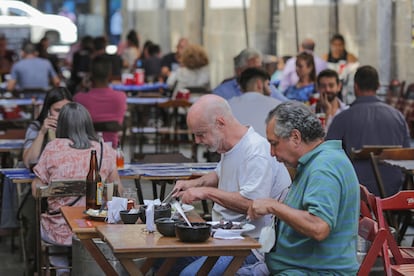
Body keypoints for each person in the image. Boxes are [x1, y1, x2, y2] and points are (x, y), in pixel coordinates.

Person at [173, 94, 291, 275]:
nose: (197, 141)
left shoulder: (256, 151)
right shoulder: (229, 145)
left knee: (188, 274)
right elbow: (220, 174)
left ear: (220, 123)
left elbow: (252, 205)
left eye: (200, 134)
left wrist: (205, 192)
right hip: (222, 235)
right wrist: (193, 184)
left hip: (249, 244)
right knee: (164, 261)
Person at [248, 101, 360, 275]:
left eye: (274, 143)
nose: (271, 152)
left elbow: (318, 227)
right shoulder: (316, 162)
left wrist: (273, 206)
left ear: (295, 137)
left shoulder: (324, 167)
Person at [31, 102, 122, 274]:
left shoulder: (53, 147)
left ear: (62, 124)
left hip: (58, 229)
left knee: (44, 217)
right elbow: (117, 191)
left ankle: (60, 267)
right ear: (88, 123)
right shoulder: (104, 149)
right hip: (95, 228)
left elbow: (36, 191)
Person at [326, 65, 411, 196]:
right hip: (393, 191)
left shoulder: (342, 119)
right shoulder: (398, 116)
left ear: (355, 87)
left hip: (356, 191)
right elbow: (406, 156)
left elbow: (328, 157)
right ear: (378, 86)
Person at [74, 55, 127, 148]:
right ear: (110, 74)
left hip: (86, 148)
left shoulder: (79, 98)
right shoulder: (121, 97)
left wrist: (83, 87)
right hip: (112, 149)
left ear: (91, 75)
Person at [213, 48, 288, 102]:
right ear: (239, 71)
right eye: (253, 70)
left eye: (259, 68)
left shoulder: (267, 86)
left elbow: (287, 105)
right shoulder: (221, 93)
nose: (258, 74)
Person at [228, 67, 281, 137]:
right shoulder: (277, 106)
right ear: (259, 84)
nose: (270, 91)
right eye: (268, 84)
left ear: (241, 88)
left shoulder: (228, 105)